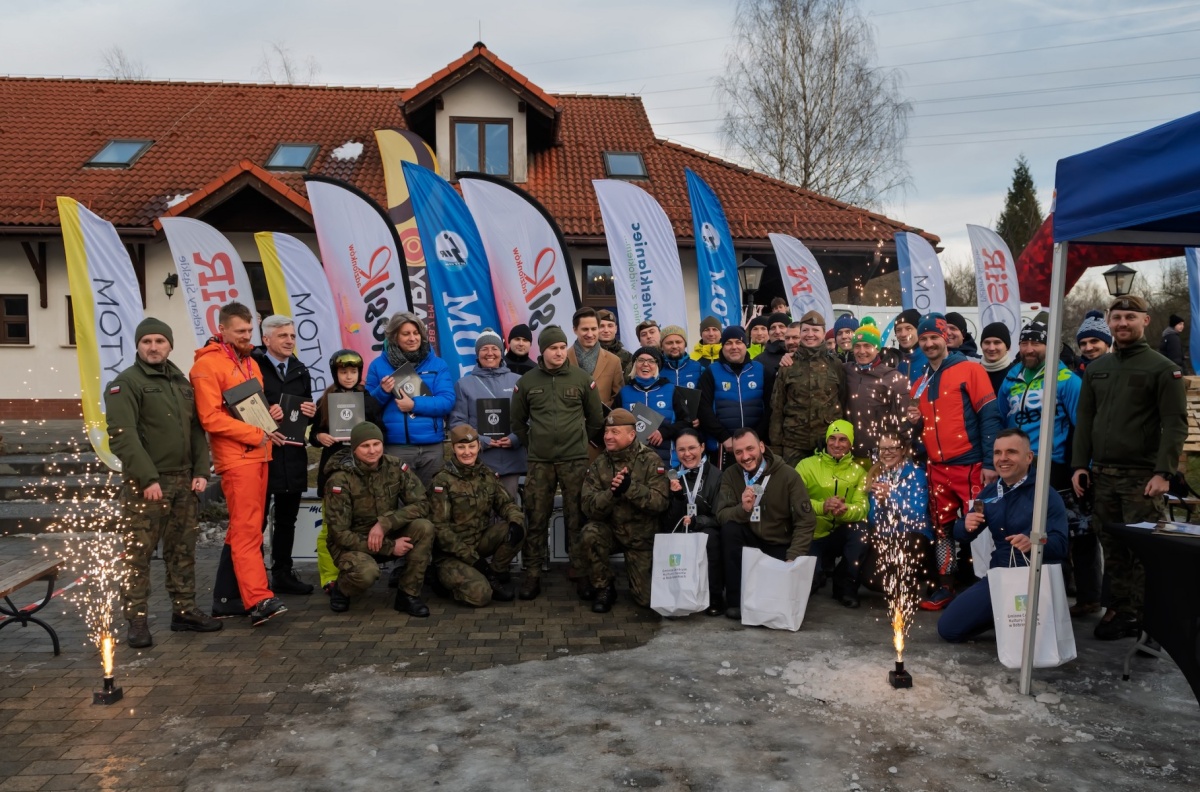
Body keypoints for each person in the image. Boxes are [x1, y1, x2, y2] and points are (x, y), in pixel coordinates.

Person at [1071, 295, 1187, 640]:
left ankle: (1145, 616)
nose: (1123, 323)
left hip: (1142, 478)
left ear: (1145, 321)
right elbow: (1085, 419)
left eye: (1130, 317)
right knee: (1112, 545)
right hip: (1103, 474)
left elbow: (1175, 423)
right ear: (1109, 321)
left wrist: (1163, 472)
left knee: (1143, 549)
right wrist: (1080, 465)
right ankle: (1121, 609)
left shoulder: (1162, 368)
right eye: (1117, 317)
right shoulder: (1097, 369)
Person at [106, 317, 220, 648]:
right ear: (138, 346)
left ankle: (184, 611)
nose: (153, 347)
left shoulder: (181, 383)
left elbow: (196, 430)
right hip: (148, 485)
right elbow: (123, 435)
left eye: (159, 341)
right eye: (147, 341)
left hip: (184, 481)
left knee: (182, 550)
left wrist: (201, 471)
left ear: (170, 345)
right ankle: (137, 620)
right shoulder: (126, 383)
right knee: (138, 555)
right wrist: (148, 478)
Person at [190, 301, 287, 626]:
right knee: (247, 530)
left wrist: (270, 414)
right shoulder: (207, 365)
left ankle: (227, 598)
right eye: (241, 331)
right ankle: (258, 599)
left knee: (245, 528)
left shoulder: (250, 363)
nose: (248, 336)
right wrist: (256, 433)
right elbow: (209, 417)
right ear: (222, 330)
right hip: (237, 457)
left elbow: (251, 408)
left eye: (250, 330)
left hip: (259, 453)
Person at [996, 316, 1092, 614]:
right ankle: (1031, 598)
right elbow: (1003, 419)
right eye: (1024, 342)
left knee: (1062, 532)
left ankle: (1075, 597)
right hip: (1018, 467)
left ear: (1050, 347)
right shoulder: (1011, 379)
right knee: (1024, 530)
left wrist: (1082, 466)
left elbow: (1083, 426)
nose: (1029, 348)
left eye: (1036, 343)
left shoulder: (1066, 380)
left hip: (1055, 466)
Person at [938, 429, 1069, 643]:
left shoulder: (1047, 494)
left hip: (1035, 579)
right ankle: (1001, 616)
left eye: (1011, 452)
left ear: (1029, 457)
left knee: (1033, 644)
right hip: (1000, 576)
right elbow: (962, 535)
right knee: (948, 628)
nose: (1003, 458)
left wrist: (1035, 542)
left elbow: (1061, 545)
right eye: (997, 453)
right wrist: (965, 525)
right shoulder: (989, 493)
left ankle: (1012, 616)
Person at [908, 312, 1000, 611]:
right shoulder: (920, 381)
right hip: (937, 468)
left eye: (934, 337)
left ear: (946, 337)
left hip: (971, 466)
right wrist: (914, 423)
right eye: (924, 338)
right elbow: (922, 428)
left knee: (980, 528)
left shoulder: (970, 370)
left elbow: (989, 415)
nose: (929, 343)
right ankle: (945, 586)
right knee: (942, 529)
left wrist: (990, 463)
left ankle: (988, 588)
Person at [512, 325, 605, 600]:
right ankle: (532, 575)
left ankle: (581, 573)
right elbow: (517, 422)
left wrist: (579, 442)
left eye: (563, 347)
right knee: (537, 517)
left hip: (574, 460)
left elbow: (596, 419)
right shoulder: (527, 382)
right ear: (542, 351)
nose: (559, 352)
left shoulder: (582, 379)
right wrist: (534, 444)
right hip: (540, 462)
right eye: (553, 348)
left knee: (577, 517)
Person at [323, 423, 434, 616]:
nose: (372, 450)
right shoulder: (340, 479)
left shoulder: (395, 466)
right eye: (365, 446)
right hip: (351, 545)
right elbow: (340, 534)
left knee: (424, 527)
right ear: (354, 448)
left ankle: (408, 594)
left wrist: (386, 523)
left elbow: (422, 504)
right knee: (367, 573)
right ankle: (342, 588)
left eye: (376, 444)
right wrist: (390, 547)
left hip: (387, 533)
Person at [715, 428, 816, 619]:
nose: (745, 457)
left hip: (778, 543)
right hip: (749, 542)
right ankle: (736, 602)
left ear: (761, 446)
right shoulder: (730, 475)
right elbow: (722, 515)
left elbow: (806, 521)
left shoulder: (788, 475)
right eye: (738, 452)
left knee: (778, 602)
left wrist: (793, 556)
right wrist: (743, 509)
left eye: (750, 449)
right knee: (730, 530)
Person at [579, 409, 671, 612]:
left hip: (641, 537)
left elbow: (660, 503)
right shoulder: (600, 463)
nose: (608, 436)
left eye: (615, 432)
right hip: (612, 532)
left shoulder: (651, 460)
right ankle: (604, 587)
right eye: (606, 431)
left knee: (646, 600)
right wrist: (612, 493)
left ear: (631, 435)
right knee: (590, 533)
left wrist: (630, 488)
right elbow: (588, 507)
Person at [309, 349, 385, 592]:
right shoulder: (325, 400)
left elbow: (381, 431)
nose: (349, 376)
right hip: (333, 470)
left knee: (358, 524)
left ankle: (358, 569)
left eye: (353, 371)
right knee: (329, 528)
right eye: (343, 372)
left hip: (363, 472)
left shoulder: (368, 400)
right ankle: (329, 577)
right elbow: (313, 434)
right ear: (335, 374)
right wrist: (320, 436)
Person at [252, 315, 317, 597]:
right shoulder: (252, 366)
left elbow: (304, 408)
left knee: (287, 519)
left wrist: (310, 411)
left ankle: (282, 573)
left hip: (292, 453)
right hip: (261, 453)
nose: (290, 340)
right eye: (283, 336)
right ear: (266, 339)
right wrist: (266, 413)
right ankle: (253, 577)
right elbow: (241, 407)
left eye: (292, 336)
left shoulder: (300, 370)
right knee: (257, 521)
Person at [428, 425, 526, 606]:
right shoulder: (442, 480)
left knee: (517, 526)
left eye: (471, 446)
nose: (467, 452)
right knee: (480, 596)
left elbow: (506, 503)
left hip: (478, 542)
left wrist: (515, 521)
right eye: (461, 447)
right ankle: (440, 576)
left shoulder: (485, 474)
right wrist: (473, 559)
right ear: (453, 448)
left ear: (479, 446)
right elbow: (440, 529)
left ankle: (493, 574)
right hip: (452, 553)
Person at [365, 312, 454, 486]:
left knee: (432, 497)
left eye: (416, 333)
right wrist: (382, 391)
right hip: (396, 446)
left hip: (431, 447)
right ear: (394, 336)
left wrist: (414, 405)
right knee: (398, 498)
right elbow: (368, 407)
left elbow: (447, 401)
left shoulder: (438, 364)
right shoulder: (378, 365)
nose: (412, 338)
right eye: (406, 334)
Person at [796, 421, 869, 607]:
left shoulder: (859, 472)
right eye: (832, 439)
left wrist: (845, 511)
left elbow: (862, 507)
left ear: (851, 443)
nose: (837, 444)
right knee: (808, 584)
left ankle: (845, 586)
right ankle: (819, 571)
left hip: (839, 533)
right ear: (826, 440)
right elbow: (794, 502)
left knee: (861, 531)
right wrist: (822, 506)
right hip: (812, 534)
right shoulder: (806, 466)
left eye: (843, 439)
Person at [449, 329, 526, 504]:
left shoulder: (519, 381)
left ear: (502, 352)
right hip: (478, 460)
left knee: (508, 507)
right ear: (477, 354)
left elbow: (529, 418)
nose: (490, 353)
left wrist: (515, 438)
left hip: (511, 459)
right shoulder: (464, 384)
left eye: (494, 348)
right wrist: (481, 441)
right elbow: (457, 422)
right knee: (479, 508)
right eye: (484, 349)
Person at [769, 310, 846, 466]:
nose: (810, 334)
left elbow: (843, 401)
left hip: (828, 442)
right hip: (794, 443)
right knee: (794, 481)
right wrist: (776, 447)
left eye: (815, 330)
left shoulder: (835, 364)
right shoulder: (788, 365)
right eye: (805, 330)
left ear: (823, 334)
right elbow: (777, 408)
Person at [663, 429, 725, 615]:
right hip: (680, 526)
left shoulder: (717, 476)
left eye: (692, 448)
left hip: (705, 526)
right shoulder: (672, 475)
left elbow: (719, 516)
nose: (687, 454)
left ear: (702, 447)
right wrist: (676, 498)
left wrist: (697, 521)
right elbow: (667, 521)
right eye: (681, 450)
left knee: (710, 538)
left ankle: (714, 596)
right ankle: (673, 593)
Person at [866, 430, 933, 602]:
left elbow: (916, 515)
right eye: (883, 449)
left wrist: (891, 496)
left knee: (906, 543)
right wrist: (881, 504)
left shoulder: (917, 474)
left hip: (914, 536)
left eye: (892, 448)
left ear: (903, 450)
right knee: (870, 578)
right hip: (887, 536)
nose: (887, 453)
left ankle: (906, 589)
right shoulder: (877, 475)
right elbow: (873, 519)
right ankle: (896, 584)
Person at [697, 326, 770, 463]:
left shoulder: (760, 370)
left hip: (756, 444)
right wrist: (724, 437)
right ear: (722, 347)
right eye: (728, 343)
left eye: (738, 342)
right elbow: (703, 408)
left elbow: (770, 407)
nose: (734, 347)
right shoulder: (711, 372)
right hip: (723, 445)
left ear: (745, 345)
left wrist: (756, 437)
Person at [842, 317, 908, 461]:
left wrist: (900, 451)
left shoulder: (893, 378)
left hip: (880, 454)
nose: (862, 351)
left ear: (877, 348)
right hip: (849, 454)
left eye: (867, 346)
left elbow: (904, 420)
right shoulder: (846, 370)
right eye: (857, 346)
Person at [615, 346, 689, 465]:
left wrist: (664, 432)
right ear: (634, 365)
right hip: (631, 460)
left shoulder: (670, 390)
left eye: (651, 361)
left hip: (666, 458)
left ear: (657, 366)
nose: (645, 364)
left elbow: (686, 421)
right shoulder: (624, 392)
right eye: (641, 360)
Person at [570, 307, 624, 408]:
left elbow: (618, 396)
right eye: (585, 329)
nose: (590, 334)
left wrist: (601, 410)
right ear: (575, 330)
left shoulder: (614, 361)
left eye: (594, 329)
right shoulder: (563, 359)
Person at [881, 309, 926, 381]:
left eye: (908, 328)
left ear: (919, 330)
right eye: (898, 330)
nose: (903, 334)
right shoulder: (896, 363)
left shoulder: (931, 360)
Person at [660, 325, 704, 390]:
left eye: (678, 342)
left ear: (685, 344)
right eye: (669, 343)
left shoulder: (699, 369)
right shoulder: (656, 370)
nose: (674, 346)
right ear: (661, 346)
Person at [979, 322, 1014, 395]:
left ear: (1007, 346)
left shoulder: (1016, 373)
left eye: (997, 342)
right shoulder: (972, 372)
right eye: (987, 342)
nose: (991, 348)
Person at [1075, 310, 1111, 375]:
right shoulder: (1072, 376)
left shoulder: (1119, 371)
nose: (1088, 348)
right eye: (1083, 343)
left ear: (1107, 343)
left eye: (1094, 341)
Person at [597, 309, 633, 373]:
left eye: (610, 326)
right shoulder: (588, 353)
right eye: (601, 326)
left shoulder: (628, 357)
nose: (606, 330)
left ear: (616, 329)